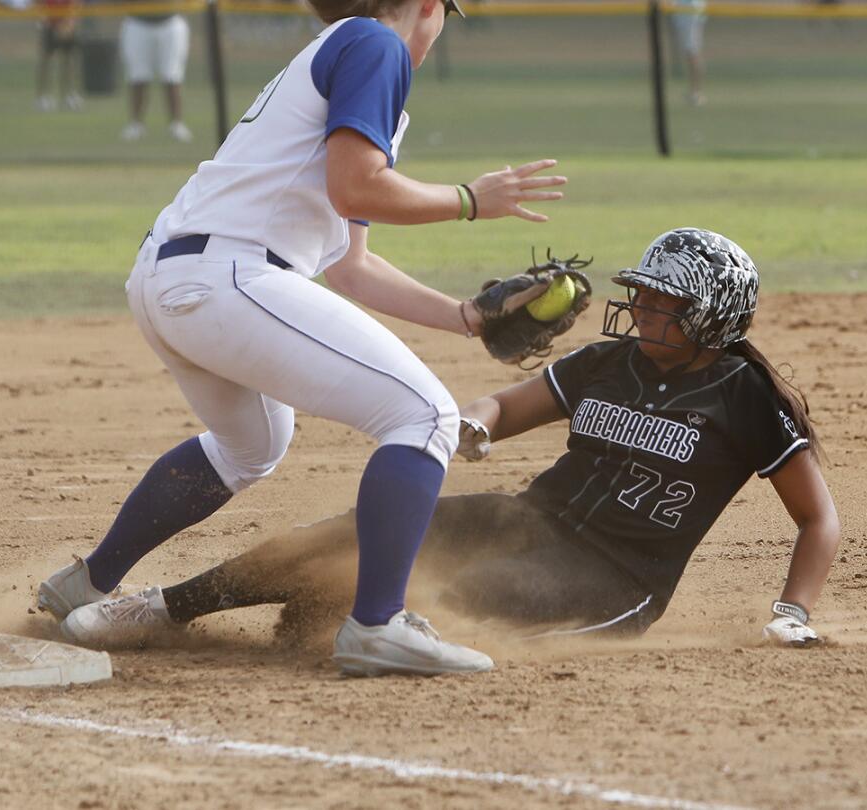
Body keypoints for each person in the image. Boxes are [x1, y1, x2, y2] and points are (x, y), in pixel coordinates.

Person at [35, 0, 567, 678]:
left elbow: (351, 264)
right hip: (229, 276)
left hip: (174, 278)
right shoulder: (377, 46)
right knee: (424, 415)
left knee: (254, 443)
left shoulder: (346, 51)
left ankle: (88, 582)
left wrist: (467, 317)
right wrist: (469, 199)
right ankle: (378, 625)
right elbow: (356, 188)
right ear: (428, 7)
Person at [56, 228, 842, 660]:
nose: (640, 311)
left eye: (662, 302)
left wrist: (793, 611)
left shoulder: (746, 398)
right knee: (339, 540)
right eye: (640, 296)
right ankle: (165, 607)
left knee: (449, 598)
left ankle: (334, 621)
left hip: (614, 581)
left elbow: (816, 519)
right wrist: (469, 423)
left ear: (712, 315)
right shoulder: (612, 361)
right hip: (525, 516)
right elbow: (504, 408)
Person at [119, 10, 193, 142]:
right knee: (138, 77)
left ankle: (176, 124)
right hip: (137, 23)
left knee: (172, 76)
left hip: (170, 22)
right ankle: (136, 124)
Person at [36, 0, 82, 111]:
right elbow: (40, 6)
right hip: (49, 25)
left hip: (67, 25)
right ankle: (43, 97)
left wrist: (68, 24)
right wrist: (48, 23)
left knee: (69, 61)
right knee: (46, 61)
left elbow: (75, 6)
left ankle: (69, 95)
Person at [671, 0, 707, 106]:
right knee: (690, 52)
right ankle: (694, 91)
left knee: (693, 51)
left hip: (690, 10)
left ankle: (696, 93)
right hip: (684, 10)